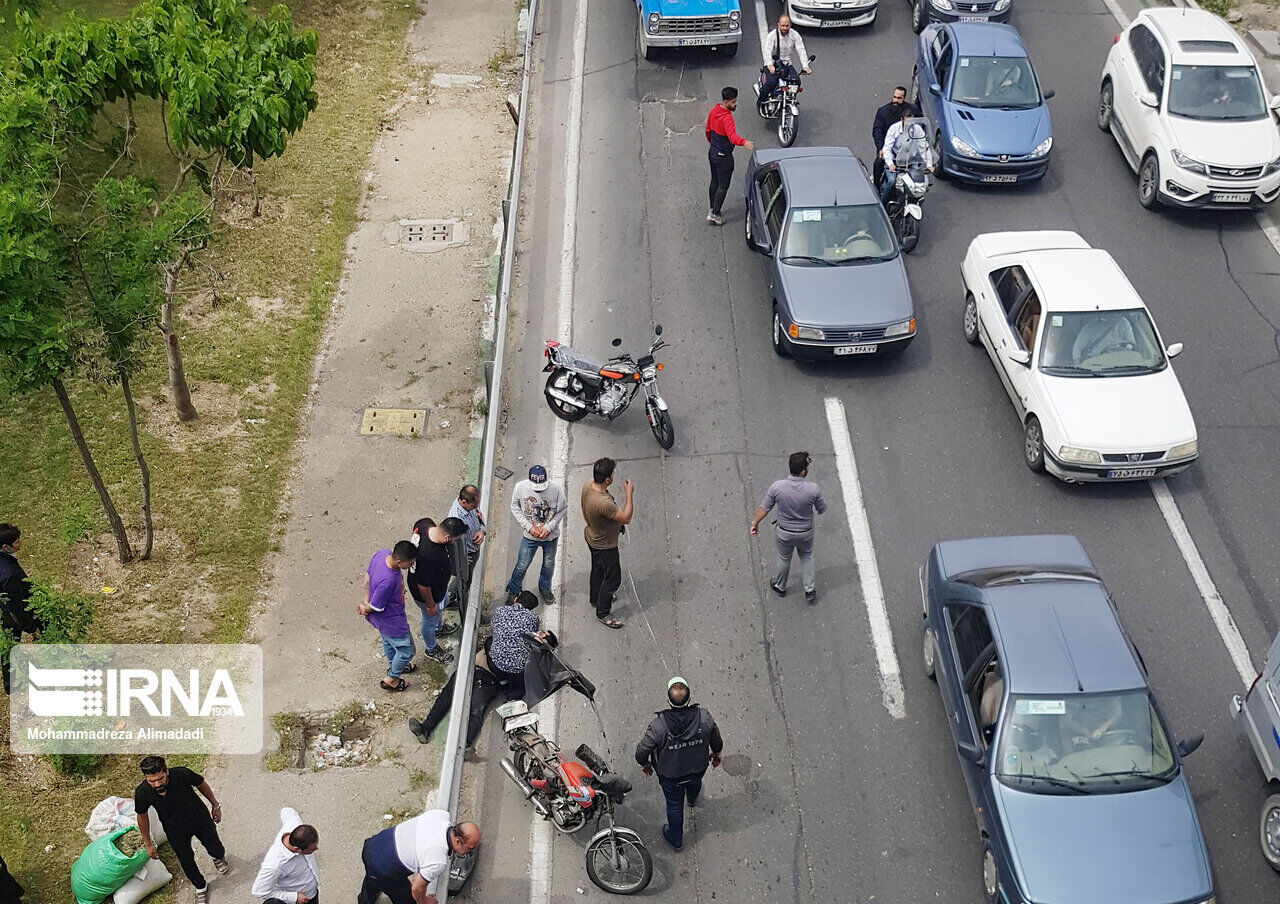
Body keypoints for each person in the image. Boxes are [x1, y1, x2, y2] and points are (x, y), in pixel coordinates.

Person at [635, 677, 723, 852]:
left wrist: (645, 764)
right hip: (697, 769)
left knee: (674, 806)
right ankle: (691, 800)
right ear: (689, 699)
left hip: (670, 777)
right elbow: (716, 738)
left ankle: (676, 840)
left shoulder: (658, 726)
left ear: (669, 701)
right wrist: (717, 753)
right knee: (695, 784)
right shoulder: (704, 717)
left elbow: (641, 752)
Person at [134, 756, 228, 904]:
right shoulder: (142, 792)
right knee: (185, 859)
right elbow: (142, 816)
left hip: (199, 818)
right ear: (146, 778)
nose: (157, 784)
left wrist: (215, 806)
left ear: (167, 772)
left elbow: (201, 783)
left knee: (215, 846)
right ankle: (201, 887)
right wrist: (148, 843)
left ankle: (217, 857)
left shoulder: (182, 774)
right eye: (152, 781)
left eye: (160, 778)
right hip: (174, 828)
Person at [749, 451, 827, 603]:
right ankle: (809, 589)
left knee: (784, 558)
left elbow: (765, 508)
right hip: (805, 533)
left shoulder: (777, 487)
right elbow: (822, 509)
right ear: (803, 471)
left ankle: (781, 586)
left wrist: (755, 523)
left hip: (784, 532)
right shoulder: (813, 489)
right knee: (806, 557)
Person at [357, 810, 480, 904]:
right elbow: (417, 888)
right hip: (383, 868)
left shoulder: (441, 815)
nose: (470, 852)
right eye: (469, 848)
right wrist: (424, 901)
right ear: (458, 842)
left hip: (374, 844)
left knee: (374, 878)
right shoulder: (438, 860)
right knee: (406, 900)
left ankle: (364, 900)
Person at [407, 644, 506, 747]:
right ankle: (427, 729)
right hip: (477, 673)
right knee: (467, 708)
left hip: (485, 678)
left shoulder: (502, 642)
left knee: (472, 710)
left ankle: (463, 744)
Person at [358, 541, 419, 690]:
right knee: (407, 650)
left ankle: (395, 665)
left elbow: (368, 576)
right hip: (392, 621)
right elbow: (375, 607)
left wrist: (366, 597)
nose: (411, 566)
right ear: (399, 561)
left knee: (389, 643)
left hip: (381, 622)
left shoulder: (382, 553)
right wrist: (366, 607)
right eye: (409, 563)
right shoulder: (389, 580)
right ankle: (392, 678)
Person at [409, 518, 469, 665]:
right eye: (455, 540)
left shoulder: (424, 524)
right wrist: (430, 605)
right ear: (447, 538)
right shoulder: (428, 555)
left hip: (438, 590)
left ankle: (439, 627)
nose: (454, 542)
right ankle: (431, 648)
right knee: (429, 620)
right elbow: (423, 586)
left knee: (443, 604)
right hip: (427, 596)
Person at [582, 458, 633, 629]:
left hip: (592, 537)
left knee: (598, 570)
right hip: (605, 546)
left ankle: (595, 598)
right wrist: (629, 493)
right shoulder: (604, 503)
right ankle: (603, 612)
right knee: (612, 579)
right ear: (607, 480)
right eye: (612, 474)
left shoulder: (589, 485)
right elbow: (625, 517)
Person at [505, 465, 566, 604]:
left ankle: (545, 588)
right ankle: (513, 591)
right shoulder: (520, 488)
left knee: (548, 565)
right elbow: (514, 507)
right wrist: (528, 527)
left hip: (550, 537)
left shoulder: (556, 489)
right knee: (522, 565)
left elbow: (562, 509)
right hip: (529, 536)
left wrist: (549, 527)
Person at [0, 524, 42, 695]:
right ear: (5, 547)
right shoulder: (10, 574)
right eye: (16, 542)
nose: (19, 544)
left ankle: (11, 685)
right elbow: (17, 608)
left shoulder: (5, 564)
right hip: (11, 613)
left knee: (9, 648)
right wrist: (32, 628)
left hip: (3, 611)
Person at [704, 87, 754, 227]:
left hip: (713, 152)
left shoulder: (714, 111)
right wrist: (744, 142)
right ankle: (714, 214)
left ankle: (712, 207)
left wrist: (713, 144)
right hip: (724, 157)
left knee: (714, 181)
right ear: (726, 102)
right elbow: (732, 137)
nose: (736, 104)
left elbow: (708, 130)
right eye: (733, 102)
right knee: (723, 186)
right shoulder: (727, 118)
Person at [250, 808, 319, 904]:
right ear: (296, 849)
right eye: (311, 850)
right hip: (301, 901)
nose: (316, 849)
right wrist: (293, 897)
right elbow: (259, 891)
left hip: (313, 893)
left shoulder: (295, 824)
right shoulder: (275, 864)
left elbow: (287, 811)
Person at [441, 485, 485, 620]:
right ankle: (446, 602)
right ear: (464, 502)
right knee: (463, 581)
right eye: (474, 504)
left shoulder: (471, 506)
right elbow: (451, 544)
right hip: (466, 557)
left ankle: (449, 598)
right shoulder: (455, 517)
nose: (476, 506)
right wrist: (461, 559)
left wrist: (482, 530)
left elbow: (479, 516)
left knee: (466, 579)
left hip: (473, 550)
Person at [487, 591, 542, 700]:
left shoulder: (500, 611)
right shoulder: (533, 618)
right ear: (531, 609)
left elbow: (493, 630)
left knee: (489, 642)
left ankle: (502, 682)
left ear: (515, 600)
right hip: (518, 669)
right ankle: (511, 697)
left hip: (496, 664)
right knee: (520, 688)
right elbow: (531, 638)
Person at [879, 109, 933, 204]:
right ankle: (882, 205)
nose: (909, 124)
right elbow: (887, 148)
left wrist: (929, 164)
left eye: (911, 121)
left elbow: (924, 147)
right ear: (902, 119)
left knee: (919, 182)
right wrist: (890, 164)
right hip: (895, 160)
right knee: (891, 182)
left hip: (911, 161)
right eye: (907, 120)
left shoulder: (917, 130)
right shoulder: (894, 129)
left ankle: (916, 201)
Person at [871, 86, 917, 188]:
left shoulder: (913, 110)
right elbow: (877, 131)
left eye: (899, 98)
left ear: (904, 98)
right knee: (879, 162)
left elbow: (920, 126)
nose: (896, 100)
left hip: (906, 148)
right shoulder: (882, 111)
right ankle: (876, 186)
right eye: (894, 97)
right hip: (888, 146)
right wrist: (880, 148)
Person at [760, 15, 811, 104]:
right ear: (778, 25)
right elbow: (767, 51)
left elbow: (801, 50)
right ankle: (762, 100)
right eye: (783, 25)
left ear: (790, 25)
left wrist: (805, 66)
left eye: (787, 26)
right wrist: (769, 65)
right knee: (770, 83)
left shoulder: (795, 35)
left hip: (787, 64)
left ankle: (791, 100)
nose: (785, 28)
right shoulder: (772, 35)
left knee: (796, 82)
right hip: (773, 64)